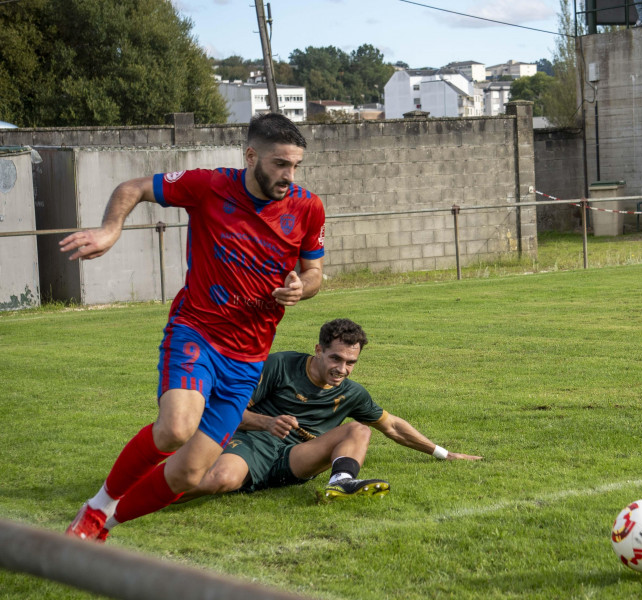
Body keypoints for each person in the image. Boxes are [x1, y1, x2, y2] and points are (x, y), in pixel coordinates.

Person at [60, 112, 326, 543]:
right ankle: (97, 505)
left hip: (248, 357)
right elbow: (134, 188)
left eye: (295, 165)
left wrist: (302, 286)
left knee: (187, 472)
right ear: (251, 155)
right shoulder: (209, 185)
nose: (288, 175)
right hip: (197, 331)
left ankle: (102, 526)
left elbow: (314, 272)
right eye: (280, 163)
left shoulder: (307, 207)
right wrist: (111, 231)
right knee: (176, 428)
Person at [169, 318, 482, 511]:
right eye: (335, 358)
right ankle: (139, 496)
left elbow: (394, 427)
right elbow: (224, 410)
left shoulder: (352, 392)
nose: (342, 369)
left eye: (350, 362)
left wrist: (444, 453)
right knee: (221, 479)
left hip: (296, 460)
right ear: (318, 350)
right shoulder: (280, 365)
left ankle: (342, 481)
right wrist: (267, 421)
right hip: (255, 443)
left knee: (359, 430)